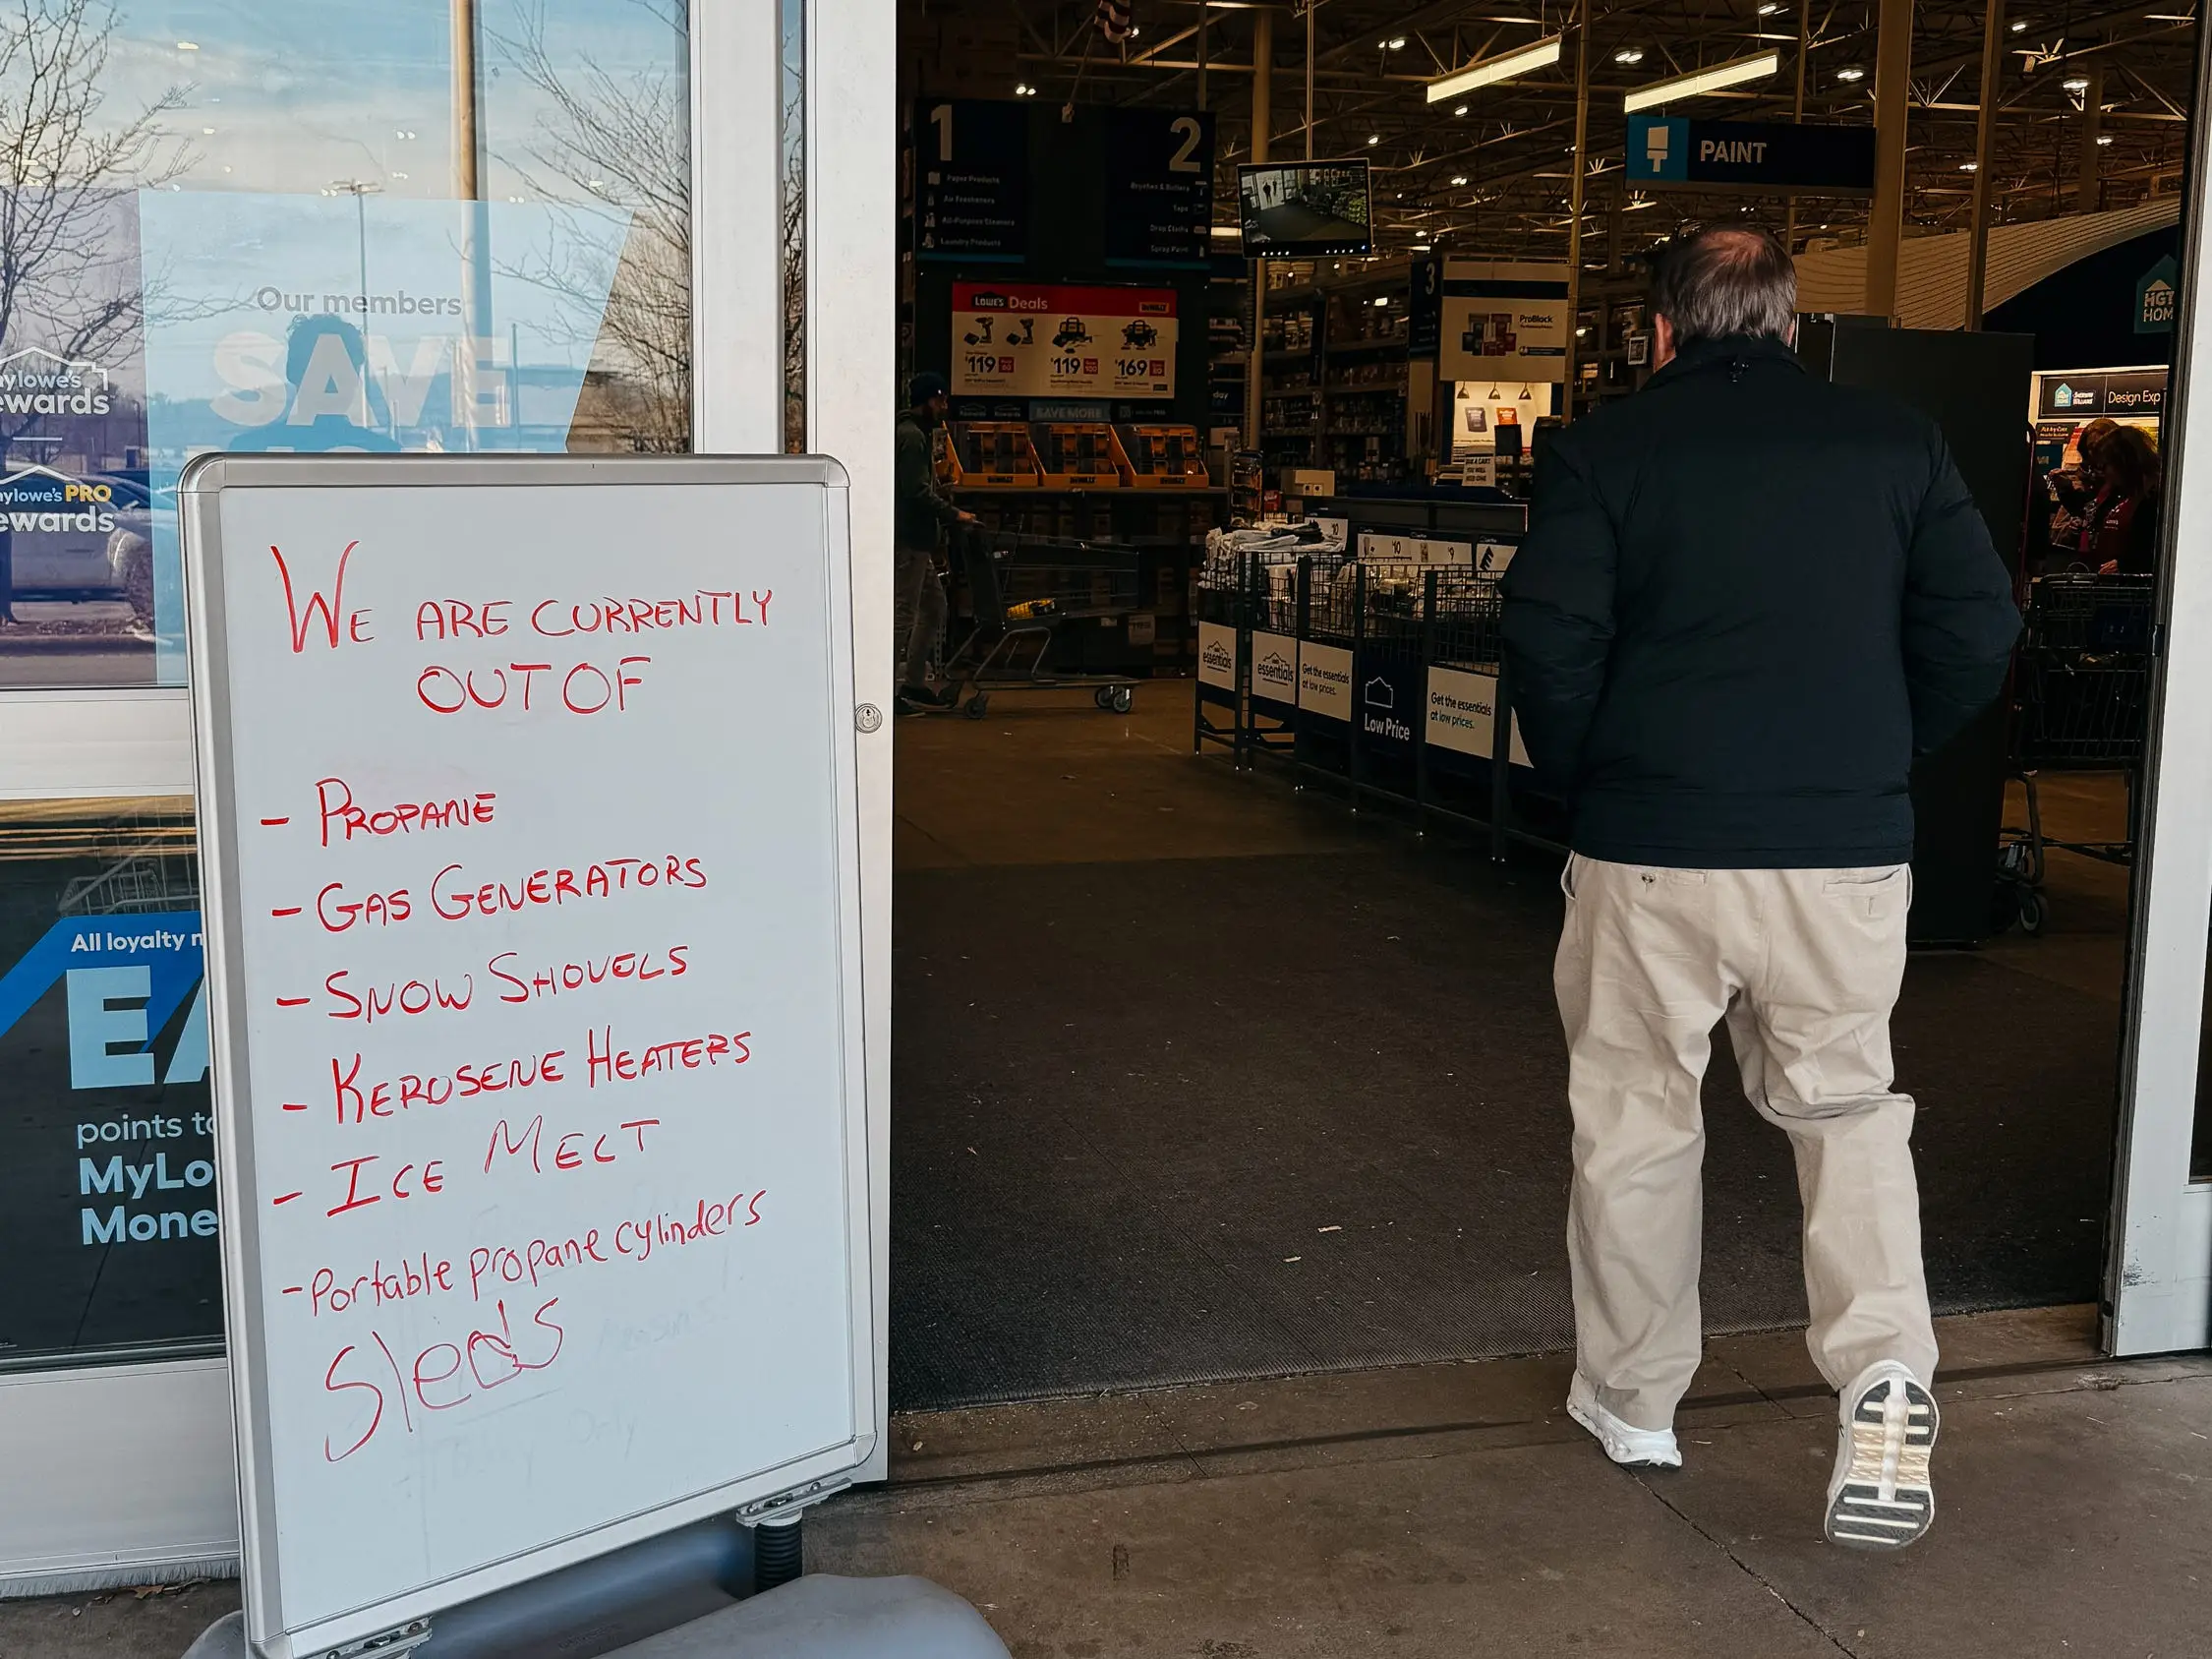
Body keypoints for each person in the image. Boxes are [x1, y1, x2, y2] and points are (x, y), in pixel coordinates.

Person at [1500, 226, 2020, 1551]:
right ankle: (1885, 1373)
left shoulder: (1604, 450)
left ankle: (1633, 1399)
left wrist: (1593, 777)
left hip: (1650, 846)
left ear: (1658, 330)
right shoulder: (1893, 443)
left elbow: (1547, 637)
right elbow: (1977, 626)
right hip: (1838, 851)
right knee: (1847, 1109)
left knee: (1634, 1119)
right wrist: (1873, 757)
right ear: (1791, 324)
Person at [895, 372, 975, 714]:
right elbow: (914, 492)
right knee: (903, 615)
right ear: (928, 400)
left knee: (933, 608)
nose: (945, 406)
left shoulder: (920, 434)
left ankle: (914, 683)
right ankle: (887, 691)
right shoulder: (911, 437)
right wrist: (953, 514)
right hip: (908, 541)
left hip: (920, 542)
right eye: (941, 399)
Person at [2085, 423, 2162, 574]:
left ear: (2122, 462)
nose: (2103, 472)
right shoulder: (2137, 495)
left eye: (2105, 465)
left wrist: (2125, 564)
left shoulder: (2154, 500)